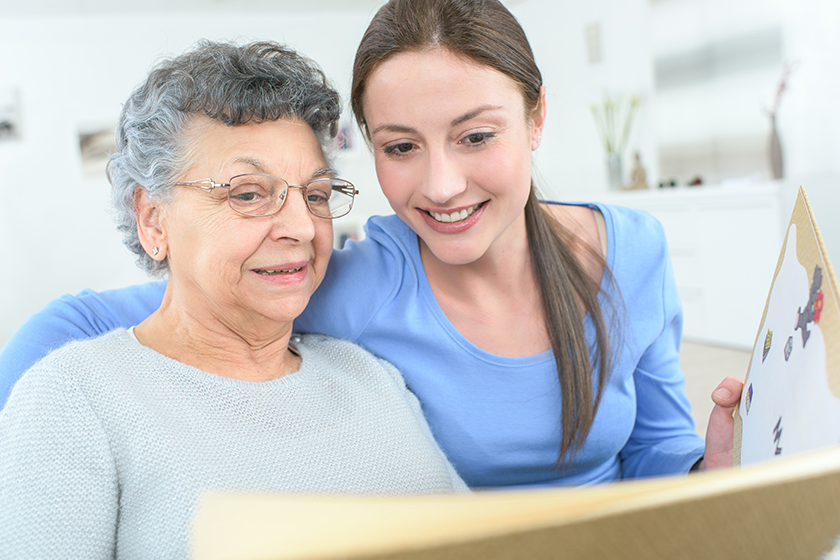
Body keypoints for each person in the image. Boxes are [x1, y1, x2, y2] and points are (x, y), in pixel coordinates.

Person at [0, 0, 741, 489]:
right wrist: (38, 418)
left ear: (536, 118)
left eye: (476, 136)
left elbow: (653, 456)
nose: (442, 185)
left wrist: (709, 468)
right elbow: (94, 321)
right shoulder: (360, 286)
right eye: (401, 147)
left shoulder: (631, 250)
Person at [0, 40, 467, 559]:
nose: (300, 227)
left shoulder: (369, 376)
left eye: (314, 195)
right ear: (153, 219)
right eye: (248, 194)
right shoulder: (75, 399)